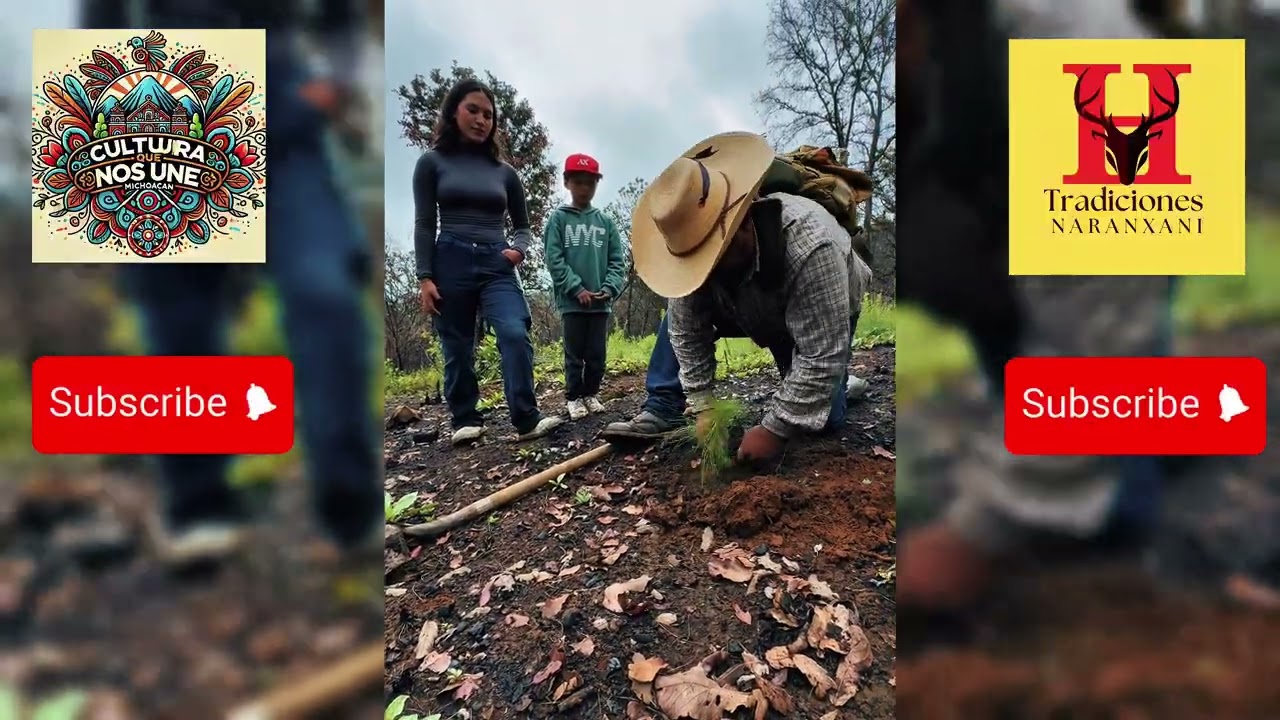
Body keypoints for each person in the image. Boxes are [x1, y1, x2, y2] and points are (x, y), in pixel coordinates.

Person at [79, 0, 382, 565]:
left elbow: (341, 15)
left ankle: (353, 505)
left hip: (279, 93)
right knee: (176, 314)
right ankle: (199, 505)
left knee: (326, 292)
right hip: (152, 90)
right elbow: (99, 15)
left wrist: (333, 84)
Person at [601, 132, 873, 463]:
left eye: (714, 255)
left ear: (744, 220)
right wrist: (703, 405)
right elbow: (687, 332)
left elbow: (820, 355)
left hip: (814, 310)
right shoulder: (692, 260)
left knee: (822, 419)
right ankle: (662, 404)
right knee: (681, 309)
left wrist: (774, 428)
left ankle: (843, 386)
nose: (705, 268)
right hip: (745, 303)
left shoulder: (811, 244)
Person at [413, 78, 563, 445]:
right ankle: (465, 418)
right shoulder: (431, 163)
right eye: (473, 110)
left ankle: (526, 418)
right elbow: (423, 223)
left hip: (497, 262)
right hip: (451, 258)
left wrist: (518, 249)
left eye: (489, 115)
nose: (482, 120)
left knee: (514, 333)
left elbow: (525, 226)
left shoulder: (505, 173)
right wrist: (425, 276)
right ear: (453, 112)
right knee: (457, 345)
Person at [543, 153, 627, 420]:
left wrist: (609, 288)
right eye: (578, 182)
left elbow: (617, 261)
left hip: (600, 304)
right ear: (567, 183)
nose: (584, 189)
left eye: (590, 183)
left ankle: (591, 393)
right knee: (574, 353)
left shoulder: (606, 223)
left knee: (597, 355)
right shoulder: (559, 220)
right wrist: (576, 289)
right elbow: (554, 260)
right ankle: (573, 397)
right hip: (572, 302)